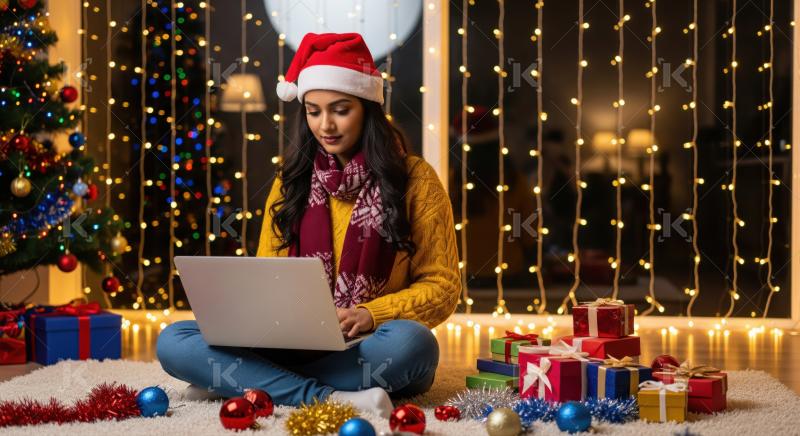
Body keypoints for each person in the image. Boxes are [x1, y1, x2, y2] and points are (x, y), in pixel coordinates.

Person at [156, 33, 461, 418]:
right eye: (314, 111)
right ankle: (327, 397)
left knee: (413, 346)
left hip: (368, 345)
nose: (326, 125)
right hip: (291, 345)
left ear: (367, 108)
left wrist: (370, 313)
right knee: (173, 340)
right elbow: (266, 277)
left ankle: (248, 381)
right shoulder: (292, 180)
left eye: (340, 109)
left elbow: (443, 286)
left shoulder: (415, 179)